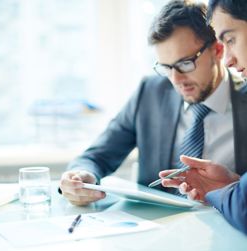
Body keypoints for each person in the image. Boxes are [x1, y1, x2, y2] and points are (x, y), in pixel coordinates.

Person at [59, 0, 247, 206]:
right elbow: (98, 155)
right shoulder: (150, 93)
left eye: (185, 63)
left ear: (217, 51)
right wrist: (80, 177)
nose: (176, 80)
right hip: (156, 227)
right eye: (167, 67)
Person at [160, 0, 247, 235]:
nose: (229, 60)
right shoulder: (151, 93)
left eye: (230, 39)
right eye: (167, 67)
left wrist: (227, 193)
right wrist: (235, 186)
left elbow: (244, 209)